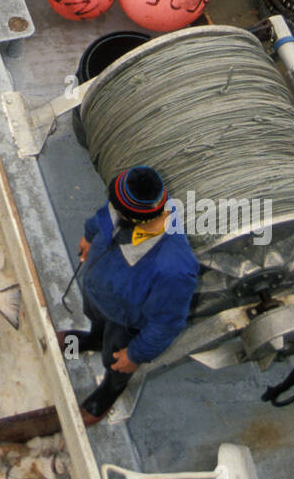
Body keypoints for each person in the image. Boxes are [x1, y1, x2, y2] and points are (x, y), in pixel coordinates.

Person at [65, 166, 200, 426]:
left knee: (115, 360)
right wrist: (90, 235)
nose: (113, 208)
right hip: (97, 291)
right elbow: (104, 215)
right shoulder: (127, 202)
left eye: (119, 210)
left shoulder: (175, 267)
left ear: (134, 219)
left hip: (126, 321)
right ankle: (93, 339)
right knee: (94, 318)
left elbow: (167, 323)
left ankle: (109, 391)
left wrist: (135, 354)